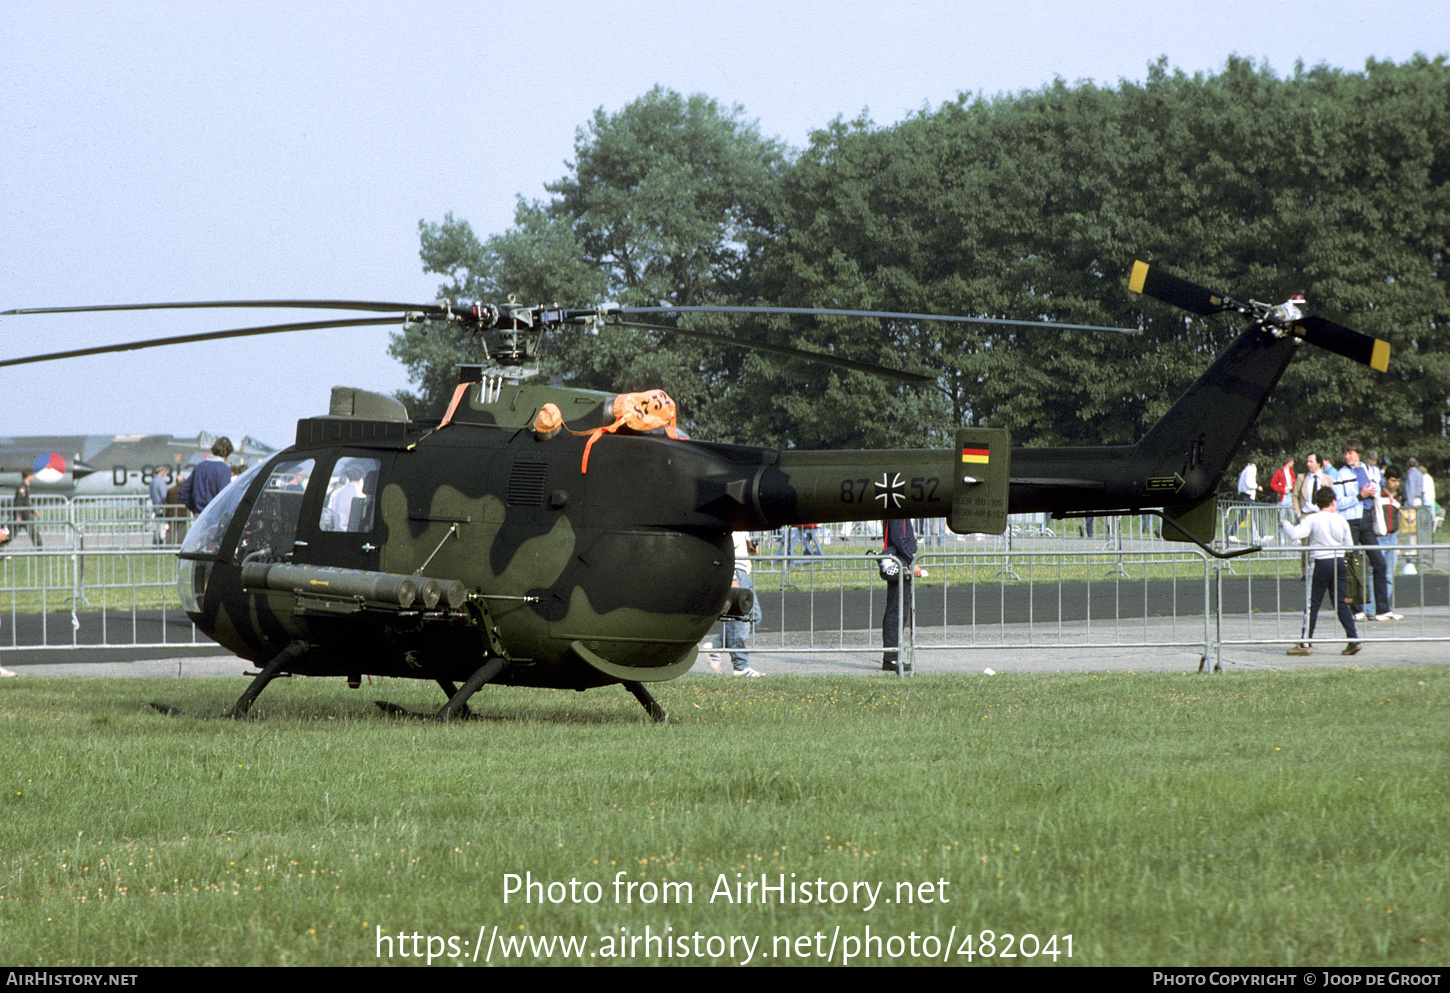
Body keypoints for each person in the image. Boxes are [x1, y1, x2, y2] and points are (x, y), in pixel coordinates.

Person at [1281, 486, 1361, 656]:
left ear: (1317, 504)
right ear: (1333, 502)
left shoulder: (1313, 519)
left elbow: (1296, 534)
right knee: (1340, 603)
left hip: (1320, 562)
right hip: (1339, 562)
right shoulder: (1341, 520)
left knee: (1312, 605)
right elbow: (1349, 545)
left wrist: (1285, 524)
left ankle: (1305, 643)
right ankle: (1353, 638)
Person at [1335, 441, 1398, 621]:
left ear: (1358, 454)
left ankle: (1382, 609)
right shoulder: (1341, 474)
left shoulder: (1370, 470)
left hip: (1368, 519)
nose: (1347, 456)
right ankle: (1356, 609)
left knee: (1379, 563)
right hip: (1351, 521)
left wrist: (1372, 492)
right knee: (1353, 564)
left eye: (1351, 453)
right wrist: (1359, 496)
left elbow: (1377, 488)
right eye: (1345, 453)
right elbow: (1338, 502)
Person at [881, 516, 923, 673]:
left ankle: (892, 656)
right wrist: (911, 559)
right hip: (900, 562)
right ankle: (891, 658)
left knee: (898, 610)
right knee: (896, 611)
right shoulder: (898, 511)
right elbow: (899, 537)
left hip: (900, 561)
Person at [180, 437, 234, 514]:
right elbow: (224, 497)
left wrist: (194, 508)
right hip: (215, 516)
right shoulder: (224, 469)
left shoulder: (199, 466)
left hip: (199, 515)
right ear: (228, 453)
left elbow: (183, 491)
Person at [12, 472, 40, 547]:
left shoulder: (26, 486)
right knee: (11, 532)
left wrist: (33, 511)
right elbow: (19, 502)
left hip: (25, 513)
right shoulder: (22, 487)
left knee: (32, 532)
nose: (33, 477)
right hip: (23, 514)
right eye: (32, 475)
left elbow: (26, 502)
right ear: (29, 476)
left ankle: (40, 548)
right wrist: (18, 515)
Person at [149, 466, 171, 545]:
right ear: (161, 471)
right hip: (161, 506)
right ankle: (160, 543)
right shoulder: (160, 481)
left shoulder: (153, 481)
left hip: (156, 506)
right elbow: (164, 495)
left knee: (158, 526)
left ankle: (156, 543)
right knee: (161, 526)